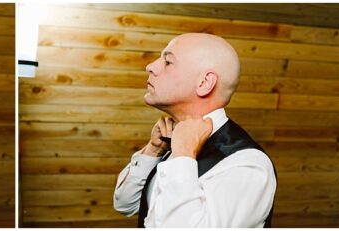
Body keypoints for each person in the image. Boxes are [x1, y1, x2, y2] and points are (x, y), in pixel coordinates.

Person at [112, 33, 277, 227]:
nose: (150, 67)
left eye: (167, 62)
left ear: (204, 83)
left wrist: (183, 155)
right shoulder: (174, 140)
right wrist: (153, 151)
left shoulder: (247, 165)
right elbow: (125, 204)